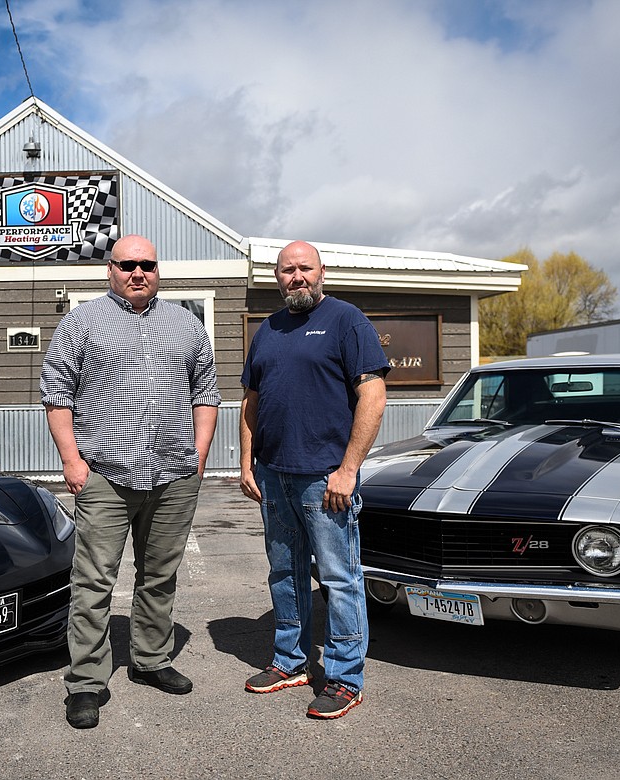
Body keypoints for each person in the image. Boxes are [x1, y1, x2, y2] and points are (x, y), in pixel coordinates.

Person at [40, 233, 221, 729]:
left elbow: (206, 394)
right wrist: (73, 462)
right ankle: (86, 682)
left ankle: (151, 659)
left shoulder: (187, 325)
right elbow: (57, 395)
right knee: (93, 581)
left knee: (159, 575)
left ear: (158, 270)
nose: (137, 272)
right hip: (104, 476)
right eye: (127, 265)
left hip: (173, 474)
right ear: (110, 270)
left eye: (147, 265)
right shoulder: (81, 323)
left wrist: (199, 457)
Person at [239, 239, 389, 720]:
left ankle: (346, 677)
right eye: (287, 270)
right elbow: (251, 401)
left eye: (305, 268)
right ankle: (290, 662)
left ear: (322, 272)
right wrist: (247, 461)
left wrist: (348, 470)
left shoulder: (347, 320)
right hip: (274, 474)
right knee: (284, 573)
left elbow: (373, 394)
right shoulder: (267, 331)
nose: (296, 276)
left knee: (339, 577)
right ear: (276, 277)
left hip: (325, 478)